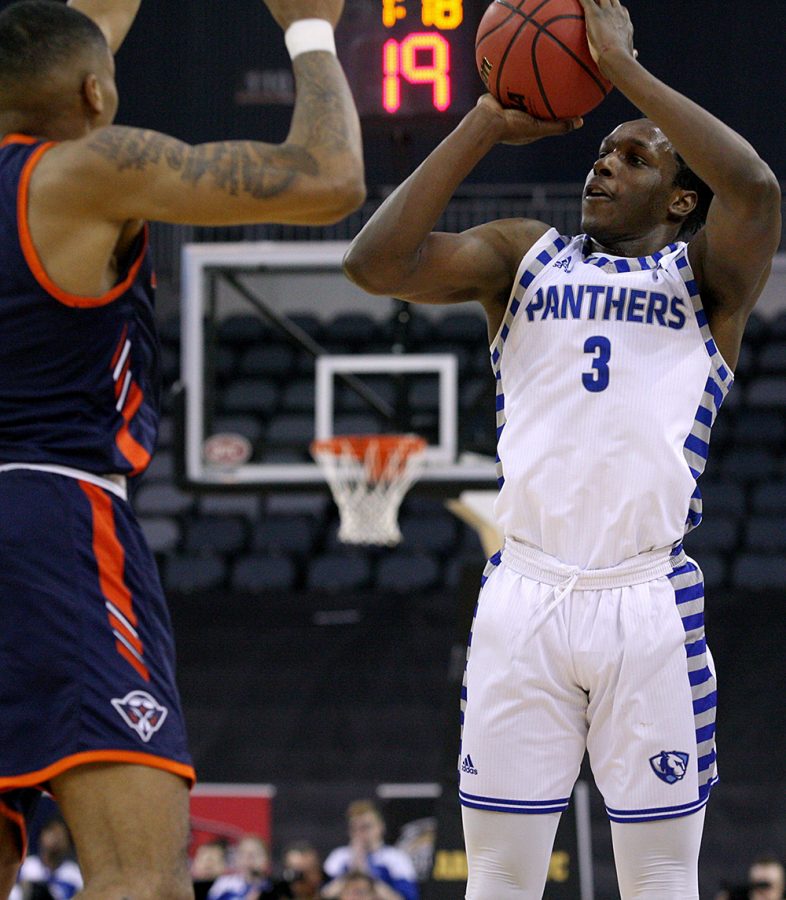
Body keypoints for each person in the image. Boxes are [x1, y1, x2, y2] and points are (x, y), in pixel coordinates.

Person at [343, 0, 781, 896]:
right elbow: (374, 264)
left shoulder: (708, 283)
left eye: (633, 158)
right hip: (525, 592)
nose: (602, 169)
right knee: (498, 881)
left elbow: (760, 190)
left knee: (662, 881)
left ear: (682, 198)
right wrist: (481, 123)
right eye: (599, 153)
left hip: (646, 599)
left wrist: (618, 67)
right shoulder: (523, 257)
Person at [0, 0, 364, 896]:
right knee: (141, 880)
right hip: (50, 523)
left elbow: (70, 49)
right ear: (96, 92)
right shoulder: (86, 172)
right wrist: (313, 29)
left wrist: (88, 44)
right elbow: (327, 177)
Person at [323, 801, 418, 900]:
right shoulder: (339, 857)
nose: (360, 833)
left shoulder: (396, 858)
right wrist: (353, 871)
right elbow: (324, 895)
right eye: (354, 828)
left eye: (366, 827)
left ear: (380, 827)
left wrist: (367, 875)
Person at [9, 815, 82, 900]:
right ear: (42, 835)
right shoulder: (27, 867)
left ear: (68, 844)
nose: (56, 839)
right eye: (52, 832)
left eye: (60, 835)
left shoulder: (74, 874)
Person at [207, 834, 272, 900]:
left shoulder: (272, 887)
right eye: (243, 853)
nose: (249, 858)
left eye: (255, 854)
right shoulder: (223, 885)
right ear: (236, 859)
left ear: (266, 859)